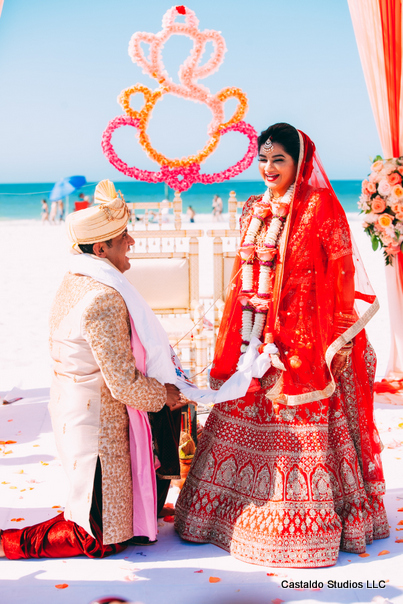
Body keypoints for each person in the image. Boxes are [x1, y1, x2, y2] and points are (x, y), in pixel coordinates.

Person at [175, 123, 389, 568]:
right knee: (244, 402)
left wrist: (336, 333)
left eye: (279, 160)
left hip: (304, 338)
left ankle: (302, 528)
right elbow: (244, 274)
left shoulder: (320, 206)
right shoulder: (253, 207)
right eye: (263, 159)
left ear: (299, 161)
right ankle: (226, 517)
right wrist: (238, 337)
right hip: (255, 335)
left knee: (300, 418)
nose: (269, 168)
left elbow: (342, 272)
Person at [0, 179, 186, 560]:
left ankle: (139, 512)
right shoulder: (101, 296)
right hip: (97, 425)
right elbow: (123, 385)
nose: (132, 242)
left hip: (81, 409)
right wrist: (165, 394)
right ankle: (9, 542)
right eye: (123, 238)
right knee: (99, 539)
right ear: (101, 249)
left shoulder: (79, 278)